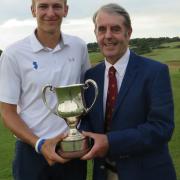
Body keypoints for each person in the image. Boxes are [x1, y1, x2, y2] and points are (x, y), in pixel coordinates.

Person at [80, 3, 177, 180]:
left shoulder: (155, 72)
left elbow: (161, 128)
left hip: (146, 174)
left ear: (128, 33)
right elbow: (88, 120)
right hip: (103, 174)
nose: (108, 36)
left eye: (115, 29)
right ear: (96, 34)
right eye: (102, 29)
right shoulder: (90, 77)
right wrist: (76, 137)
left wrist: (110, 142)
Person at [0, 0, 90, 179]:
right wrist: (40, 144)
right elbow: (7, 111)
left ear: (66, 10)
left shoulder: (78, 47)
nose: (50, 13)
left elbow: (86, 94)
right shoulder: (13, 54)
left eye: (57, 6)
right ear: (33, 10)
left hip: (73, 148)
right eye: (43, 6)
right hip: (32, 151)